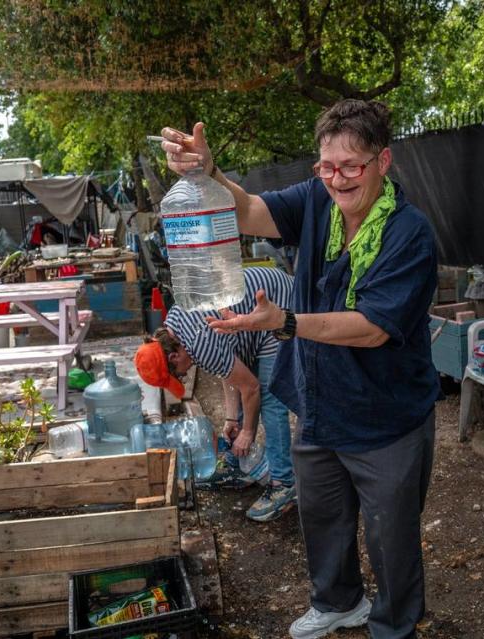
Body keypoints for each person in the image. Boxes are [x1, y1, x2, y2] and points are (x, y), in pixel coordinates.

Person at [159, 99, 440, 639]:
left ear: (384, 161)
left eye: (351, 166)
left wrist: (285, 322)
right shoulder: (316, 199)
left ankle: (394, 626)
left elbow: (372, 327)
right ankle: (338, 602)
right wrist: (208, 171)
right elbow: (247, 212)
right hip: (319, 400)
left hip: (387, 415)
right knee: (323, 516)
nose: (337, 179)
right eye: (326, 166)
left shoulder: (410, 234)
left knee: (391, 538)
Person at [134, 266, 297, 522]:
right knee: (249, 390)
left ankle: (284, 484)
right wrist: (233, 420)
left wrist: (247, 432)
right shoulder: (174, 324)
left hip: (276, 301)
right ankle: (241, 466)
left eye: (176, 374)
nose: (183, 377)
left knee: (268, 396)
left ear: (174, 356)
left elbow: (250, 387)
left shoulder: (199, 343)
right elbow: (228, 372)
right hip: (249, 311)